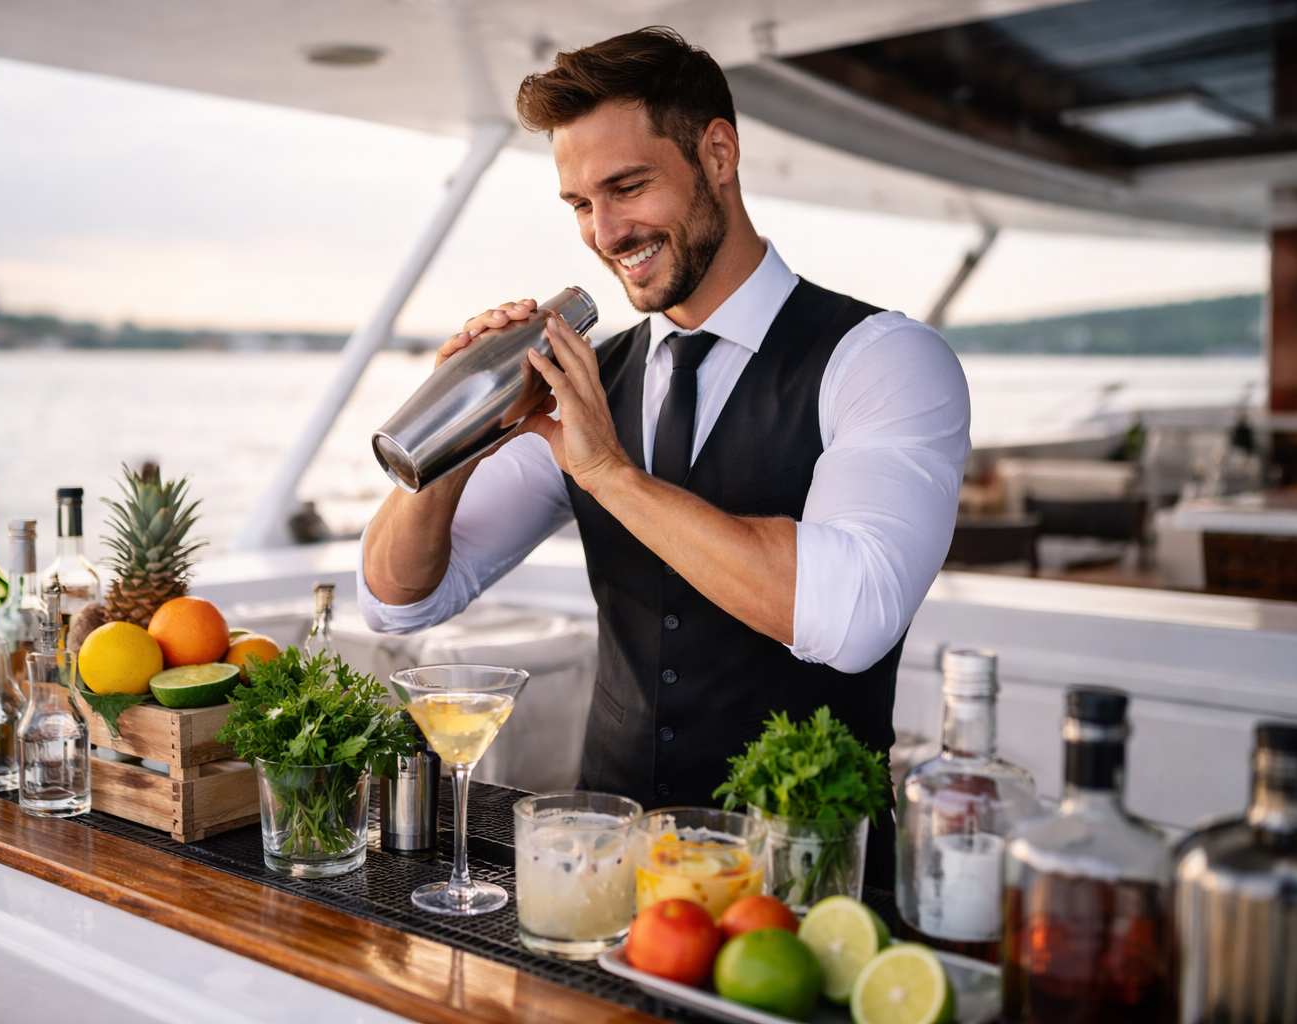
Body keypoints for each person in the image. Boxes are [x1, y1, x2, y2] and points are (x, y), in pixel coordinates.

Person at [359, 27, 969, 889]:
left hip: (799, 888)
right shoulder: (589, 380)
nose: (604, 233)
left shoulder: (884, 359)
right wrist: (459, 430)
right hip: (610, 871)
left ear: (717, 153)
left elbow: (853, 612)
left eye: (627, 187)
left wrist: (610, 473)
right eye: (578, 203)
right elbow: (397, 602)